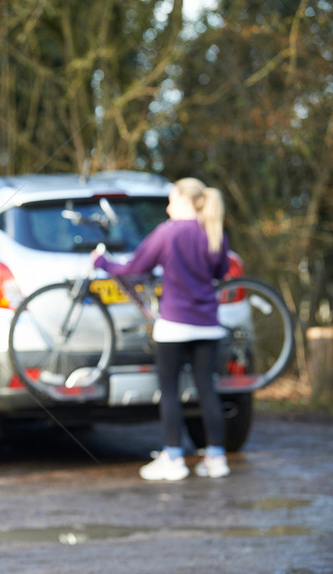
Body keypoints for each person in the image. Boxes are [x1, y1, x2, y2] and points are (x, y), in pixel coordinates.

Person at [92, 177, 231, 481]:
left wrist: (103, 262)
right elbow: (221, 271)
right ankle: (216, 458)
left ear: (183, 200)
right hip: (208, 325)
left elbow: (134, 268)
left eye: (170, 200)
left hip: (174, 325)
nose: (167, 206)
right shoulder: (213, 231)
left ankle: (174, 458)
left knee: (169, 391)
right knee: (207, 388)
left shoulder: (168, 233)